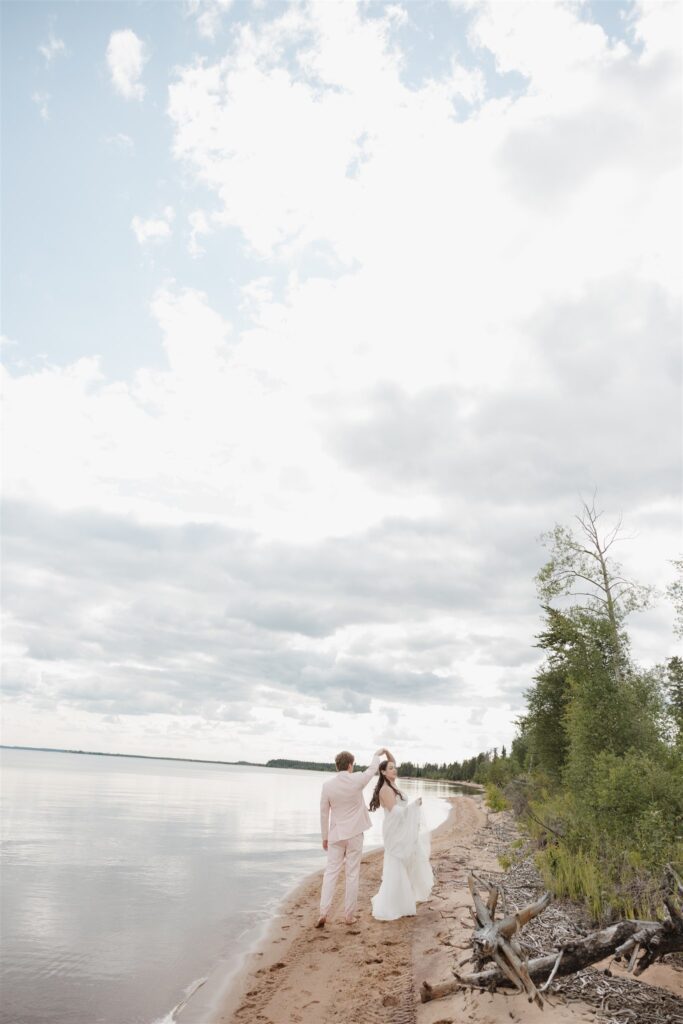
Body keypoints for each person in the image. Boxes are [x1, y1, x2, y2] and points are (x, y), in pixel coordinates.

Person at [317, 746, 394, 927]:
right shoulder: (357, 780)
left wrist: (324, 837)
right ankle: (349, 916)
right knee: (352, 874)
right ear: (350, 765)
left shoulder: (327, 786)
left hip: (336, 835)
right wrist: (377, 754)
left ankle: (323, 912)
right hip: (355, 835)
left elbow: (323, 813)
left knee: (331, 873)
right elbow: (373, 769)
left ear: (337, 766)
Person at [369, 759, 433, 921]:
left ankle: (403, 900)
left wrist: (412, 808)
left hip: (401, 828)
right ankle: (393, 904)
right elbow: (395, 811)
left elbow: (400, 809)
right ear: (383, 772)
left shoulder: (393, 786)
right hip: (394, 830)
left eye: (395, 768)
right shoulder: (385, 789)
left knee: (406, 861)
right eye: (390, 768)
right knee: (396, 862)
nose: (394, 770)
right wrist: (413, 807)